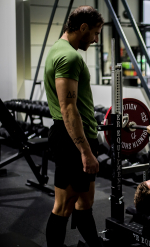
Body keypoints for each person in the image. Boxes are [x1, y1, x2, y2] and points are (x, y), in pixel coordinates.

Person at [44, 6, 104, 247]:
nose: (96, 39)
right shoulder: (69, 56)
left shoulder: (58, 49)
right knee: (64, 205)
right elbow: (68, 108)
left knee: (85, 201)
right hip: (71, 141)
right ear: (82, 28)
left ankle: (94, 244)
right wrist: (85, 152)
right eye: (95, 33)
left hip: (78, 137)